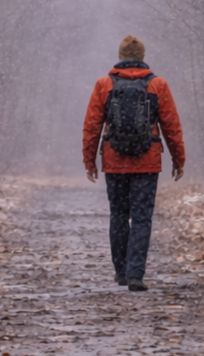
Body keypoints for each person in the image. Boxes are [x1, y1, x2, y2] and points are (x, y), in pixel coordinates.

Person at [82, 35, 185, 292]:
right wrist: (178, 158)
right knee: (141, 218)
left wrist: (90, 161)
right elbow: (171, 126)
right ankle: (135, 274)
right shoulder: (157, 85)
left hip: (114, 160)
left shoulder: (104, 84)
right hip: (147, 161)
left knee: (118, 215)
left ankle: (120, 270)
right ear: (142, 57)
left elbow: (92, 127)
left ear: (120, 57)